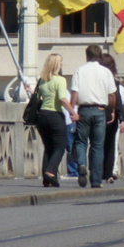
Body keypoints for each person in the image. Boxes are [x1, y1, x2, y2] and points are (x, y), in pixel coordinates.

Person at [70, 45, 116, 189]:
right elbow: (112, 95)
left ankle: (82, 163)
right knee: (97, 146)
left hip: (84, 110)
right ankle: (96, 181)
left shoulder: (80, 70)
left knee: (81, 142)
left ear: (87, 56)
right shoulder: (106, 72)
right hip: (100, 110)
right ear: (100, 56)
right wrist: (111, 111)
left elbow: (75, 93)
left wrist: (73, 110)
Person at [31, 53, 79, 188]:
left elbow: (38, 98)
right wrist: (73, 112)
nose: (62, 65)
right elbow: (62, 99)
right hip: (55, 116)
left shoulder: (42, 80)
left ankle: (46, 179)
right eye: (61, 62)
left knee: (48, 147)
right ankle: (51, 172)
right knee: (60, 147)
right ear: (57, 65)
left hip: (42, 116)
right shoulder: (60, 80)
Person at [98, 53, 124, 184]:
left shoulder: (96, 80)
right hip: (111, 115)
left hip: (98, 113)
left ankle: (98, 171)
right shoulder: (113, 81)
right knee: (110, 146)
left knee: (97, 145)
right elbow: (118, 100)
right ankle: (108, 173)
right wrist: (122, 118)